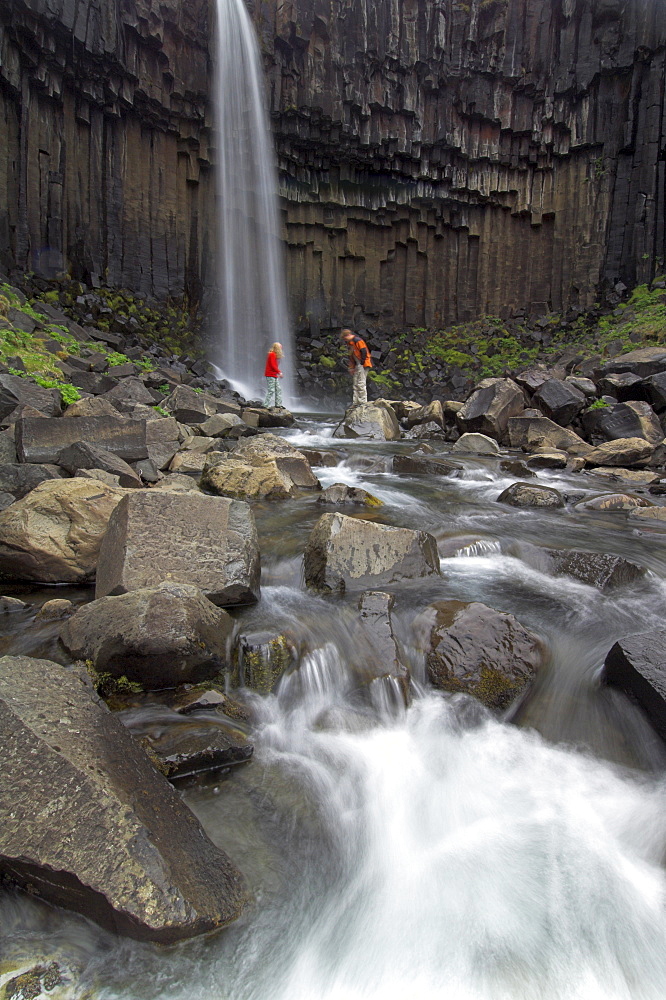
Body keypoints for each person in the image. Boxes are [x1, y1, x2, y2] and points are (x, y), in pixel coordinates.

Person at [341, 328, 373, 405]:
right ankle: (356, 402)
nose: (345, 340)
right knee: (355, 383)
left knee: (361, 383)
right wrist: (351, 367)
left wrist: (362, 363)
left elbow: (364, 351)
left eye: (345, 338)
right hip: (357, 364)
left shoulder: (358, 340)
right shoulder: (350, 343)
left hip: (363, 364)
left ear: (348, 335)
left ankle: (362, 402)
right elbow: (351, 356)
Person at [263, 341, 284, 408]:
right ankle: (266, 405)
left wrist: (277, 372)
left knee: (278, 389)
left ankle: (278, 404)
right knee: (271, 390)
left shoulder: (275, 355)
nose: (281, 349)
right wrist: (279, 372)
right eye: (280, 347)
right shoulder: (271, 354)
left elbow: (275, 365)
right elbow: (273, 365)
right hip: (270, 374)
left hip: (274, 375)